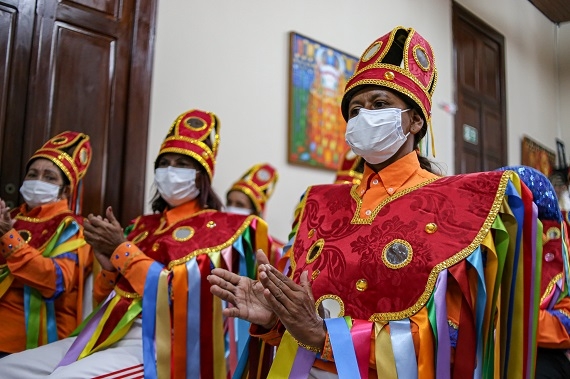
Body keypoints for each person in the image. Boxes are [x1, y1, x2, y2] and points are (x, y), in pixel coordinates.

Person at [208, 26, 541, 378]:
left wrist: (326, 337)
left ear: (415, 120)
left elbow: (450, 340)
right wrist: (276, 317)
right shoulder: (320, 203)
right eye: (355, 110)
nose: (364, 116)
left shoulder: (456, 205)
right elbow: (304, 320)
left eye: (380, 104)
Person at [0, 109, 272, 378]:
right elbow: (104, 300)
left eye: (182, 164)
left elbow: (180, 297)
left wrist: (121, 250)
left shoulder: (227, 229)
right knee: (6, 369)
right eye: (164, 163)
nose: (170, 171)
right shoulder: (139, 227)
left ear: (202, 174)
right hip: (106, 329)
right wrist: (107, 268)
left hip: (161, 342)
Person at [0, 131, 92, 357]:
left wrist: (9, 239)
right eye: (32, 174)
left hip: (28, 344)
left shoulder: (72, 228)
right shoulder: (10, 216)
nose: (37, 181)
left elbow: (56, 281)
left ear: (65, 189)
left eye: (49, 177)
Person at [498, 166, 570, 379]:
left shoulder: (560, 252)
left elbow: (565, 322)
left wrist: (507, 322)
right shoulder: (488, 245)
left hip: (543, 355)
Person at [226, 163, 283, 266]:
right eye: (229, 202)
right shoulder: (216, 241)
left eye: (240, 205)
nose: (231, 208)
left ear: (255, 212)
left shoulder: (274, 250)